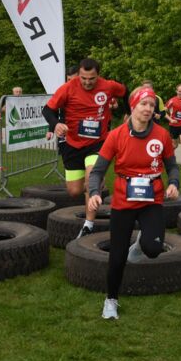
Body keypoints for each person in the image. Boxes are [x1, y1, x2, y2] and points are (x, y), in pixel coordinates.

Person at [87, 86, 180, 320]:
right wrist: (95, 192)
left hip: (152, 198)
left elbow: (172, 166)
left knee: (153, 249)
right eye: (143, 104)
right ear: (133, 106)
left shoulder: (162, 135)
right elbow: (97, 171)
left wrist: (174, 183)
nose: (148, 109)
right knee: (117, 256)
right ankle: (111, 300)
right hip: (123, 200)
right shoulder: (116, 135)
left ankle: (139, 244)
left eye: (151, 105)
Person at [43, 58, 127, 238]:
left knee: (90, 180)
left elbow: (125, 92)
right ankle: (96, 184)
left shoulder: (108, 86)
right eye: (83, 78)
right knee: (74, 191)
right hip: (72, 144)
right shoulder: (68, 88)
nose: (87, 82)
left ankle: (88, 224)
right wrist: (56, 124)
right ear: (79, 75)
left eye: (92, 78)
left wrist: (129, 113)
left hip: (98, 143)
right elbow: (47, 110)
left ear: (98, 75)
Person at [165, 84, 181, 171]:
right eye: (179, 91)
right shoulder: (172, 100)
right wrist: (171, 120)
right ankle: (166, 158)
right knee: (174, 145)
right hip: (173, 126)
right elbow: (163, 112)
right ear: (176, 91)